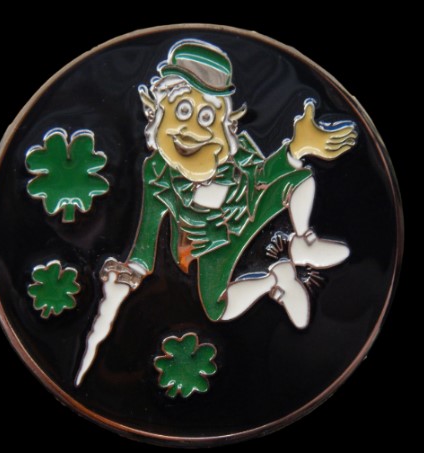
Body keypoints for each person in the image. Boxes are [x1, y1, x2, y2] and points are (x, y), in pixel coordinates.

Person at [75, 39, 357, 386]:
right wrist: (127, 273)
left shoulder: (238, 156)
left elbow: (263, 176)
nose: (193, 129)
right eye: (182, 111)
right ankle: (275, 278)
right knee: (217, 309)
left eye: (206, 117)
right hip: (210, 245)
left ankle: (302, 240)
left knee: (299, 179)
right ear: (156, 113)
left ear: (225, 126)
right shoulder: (156, 173)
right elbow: (145, 242)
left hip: (250, 213)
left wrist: (296, 149)